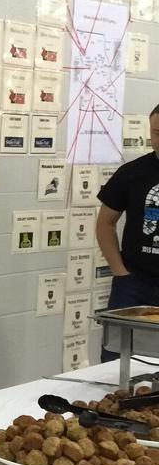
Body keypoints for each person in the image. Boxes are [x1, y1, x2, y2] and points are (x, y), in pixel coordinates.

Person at [97, 105, 159, 360]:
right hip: (134, 283)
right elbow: (105, 223)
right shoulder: (133, 172)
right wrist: (120, 272)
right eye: (156, 132)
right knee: (115, 359)